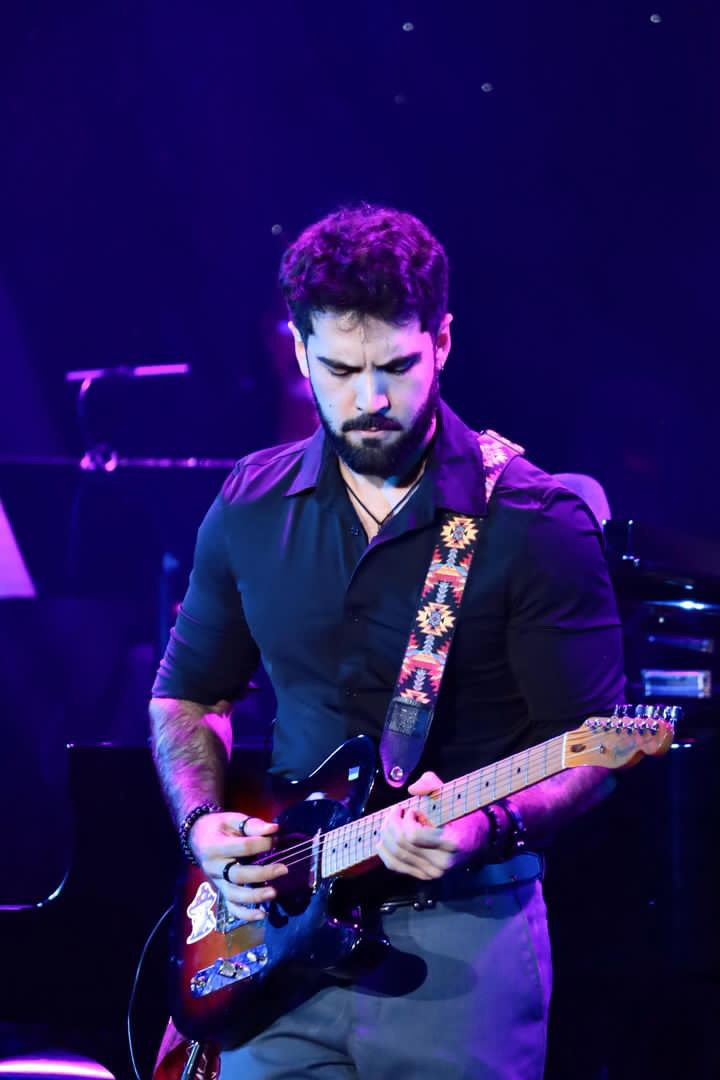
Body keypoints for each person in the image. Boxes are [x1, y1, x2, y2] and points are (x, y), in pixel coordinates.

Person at [150, 203, 625, 1079]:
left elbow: (594, 745)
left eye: (397, 366)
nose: (369, 400)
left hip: (461, 944)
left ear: (441, 342)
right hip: (273, 940)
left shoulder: (536, 518)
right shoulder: (250, 504)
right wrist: (199, 824)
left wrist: (490, 823)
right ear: (299, 353)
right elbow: (187, 695)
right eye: (339, 369)